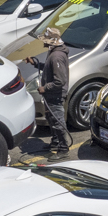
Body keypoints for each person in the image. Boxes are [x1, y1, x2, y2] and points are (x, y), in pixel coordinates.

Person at [32, 27, 72, 160]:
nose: (43, 42)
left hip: (55, 95)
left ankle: (63, 149)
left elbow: (59, 81)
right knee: (51, 119)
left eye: (45, 40)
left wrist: (45, 88)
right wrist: (36, 64)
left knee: (57, 122)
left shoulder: (56, 56)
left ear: (51, 41)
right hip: (51, 95)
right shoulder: (53, 52)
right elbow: (50, 68)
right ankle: (55, 142)